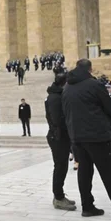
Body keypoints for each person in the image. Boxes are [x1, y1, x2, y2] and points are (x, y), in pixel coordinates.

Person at [62, 59, 111, 221]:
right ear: (90, 69)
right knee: (109, 173)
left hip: (77, 137)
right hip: (97, 136)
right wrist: (107, 126)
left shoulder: (67, 87)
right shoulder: (94, 85)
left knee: (84, 172)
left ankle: (87, 206)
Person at [45, 73, 77, 211]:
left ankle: (59, 195)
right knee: (60, 167)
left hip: (60, 136)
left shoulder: (57, 95)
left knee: (62, 166)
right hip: (58, 137)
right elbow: (58, 120)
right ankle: (58, 197)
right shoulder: (55, 98)